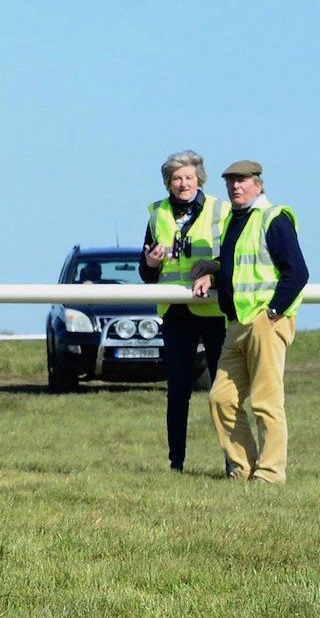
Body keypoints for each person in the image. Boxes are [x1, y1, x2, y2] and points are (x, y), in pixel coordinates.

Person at [192, 159, 308, 483]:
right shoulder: (235, 219)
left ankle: (270, 474)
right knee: (221, 398)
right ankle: (243, 468)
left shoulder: (274, 217)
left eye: (241, 181)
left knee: (266, 401)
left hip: (263, 320)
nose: (234, 187)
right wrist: (211, 272)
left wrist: (272, 313)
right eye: (230, 182)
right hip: (237, 322)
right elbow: (235, 265)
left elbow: (297, 272)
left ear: (258, 183)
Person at [139, 150, 228, 472]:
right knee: (177, 390)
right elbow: (146, 272)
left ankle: (232, 461)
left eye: (189, 177)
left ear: (199, 179)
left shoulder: (222, 210)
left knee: (223, 391)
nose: (183, 184)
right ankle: (175, 463)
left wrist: (212, 274)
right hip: (176, 313)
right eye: (176, 178)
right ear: (168, 183)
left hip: (214, 312)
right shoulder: (156, 213)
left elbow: (229, 260)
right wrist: (150, 262)